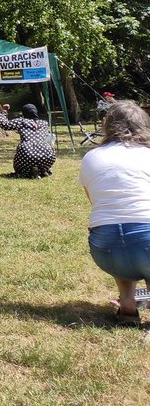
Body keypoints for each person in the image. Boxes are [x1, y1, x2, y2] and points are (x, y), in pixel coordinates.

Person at [78, 100, 150, 327]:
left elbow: (93, 199)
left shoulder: (91, 156)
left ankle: (128, 304)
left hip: (105, 249)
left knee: (124, 239)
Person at [0, 103, 56, 178]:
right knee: (41, 158)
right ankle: (42, 170)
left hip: (27, 151)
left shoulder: (21, 122)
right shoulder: (44, 123)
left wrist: (4, 111)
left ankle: (29, 172)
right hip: (46, 152)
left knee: (24, 160)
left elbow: (3, 124)